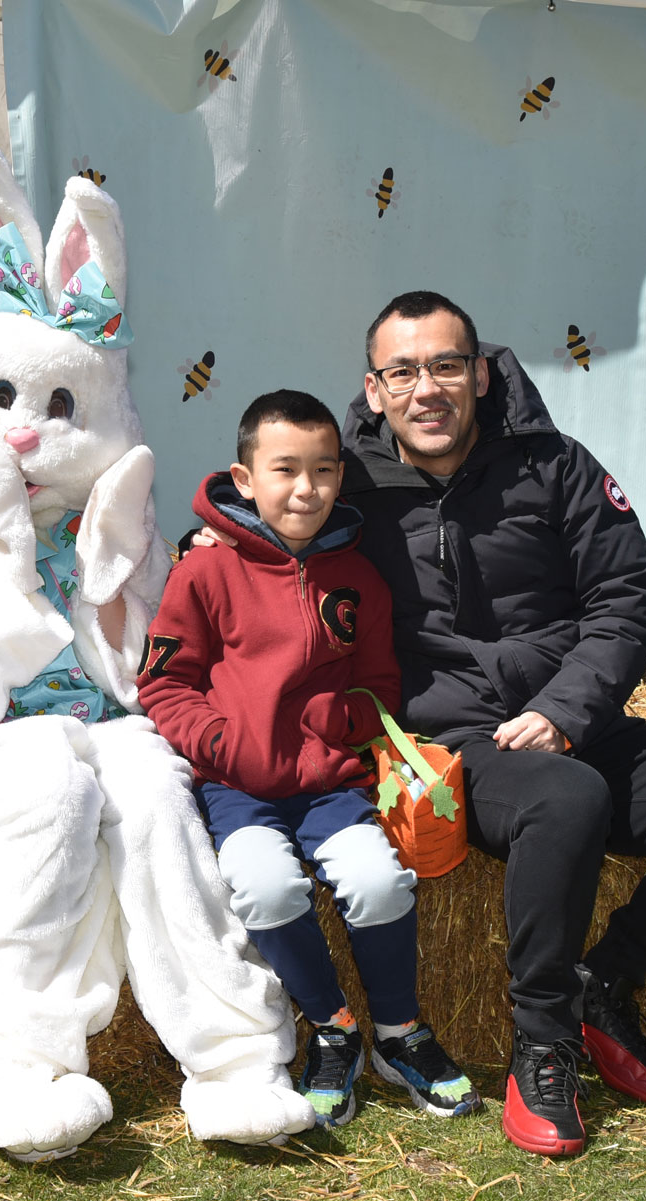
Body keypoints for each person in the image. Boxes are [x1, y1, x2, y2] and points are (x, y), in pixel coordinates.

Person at [341, 291, 646, 1157]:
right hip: (453, 739)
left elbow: (626, 599)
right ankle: (542, 1041)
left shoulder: (555, 465)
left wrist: (564, 709)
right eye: (403, 372)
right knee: (566, 799)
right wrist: (214, 539)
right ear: (374, 389)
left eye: (445, 366)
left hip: (567, 713)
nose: (426, 389)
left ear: (480, 374)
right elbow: (266, 523)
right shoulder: (347, 490)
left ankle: (604, 986)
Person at [139, 390, 481, 1128]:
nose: (306, 488)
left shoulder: (359, 577)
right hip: (237, 790)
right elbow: (164, 683)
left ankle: (399, 1033)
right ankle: (333, 1027)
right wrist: (222, 742)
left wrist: (339, 723)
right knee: (264, 890)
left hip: (332, 786)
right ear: (244, 477)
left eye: (324, 470)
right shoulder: (203, 572)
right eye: (285, 469)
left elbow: (381, 684)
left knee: (379, 883)